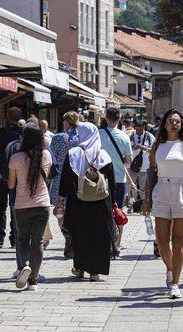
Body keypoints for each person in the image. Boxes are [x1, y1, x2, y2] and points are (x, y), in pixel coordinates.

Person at [142, 109, 183, 299]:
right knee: (161, 240)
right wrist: (146, 199)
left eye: (177, 121)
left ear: (181, 124)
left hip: (182, 188)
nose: (174, 124)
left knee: (178, 241)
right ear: (165, 124)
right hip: (161, 188)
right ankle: (170, 268)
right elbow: (151, 173)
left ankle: (175, 283)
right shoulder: (157, 145)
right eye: (170, 121)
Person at [57, 122, 117, 281]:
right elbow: (111, 182)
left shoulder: (73, 154)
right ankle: (95, 272)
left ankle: (80, 267)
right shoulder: (103, 155)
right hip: (101, 202)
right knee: (99, 235)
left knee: (80, 234)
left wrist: (61, 198)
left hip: (78, 201)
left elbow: (65, 178)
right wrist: (114, 203)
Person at [7, 122, 52, 291]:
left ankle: (24, 266)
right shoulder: (46, 155)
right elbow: (47, 177)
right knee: (38, 241)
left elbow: (11, 185)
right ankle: (33, 281)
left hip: (22, 205)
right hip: (42, 203)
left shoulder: (16, 158)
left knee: (23, 239)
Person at [99, 108, 133, 251]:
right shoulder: (124, 137)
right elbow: (129, 160)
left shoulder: (98, 134)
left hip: (100, 180)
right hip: (119, 179)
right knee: (117, 211)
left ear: (106, 118)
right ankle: (117, 244)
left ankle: (103, 241)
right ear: (119, 119)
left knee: (101, 211)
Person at [0, 107, 23, 248]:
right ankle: (15, 238)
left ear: (7, 117)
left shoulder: (1, 132)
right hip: (19, 175)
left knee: (1, 207)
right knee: (15, 206)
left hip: (2, 174)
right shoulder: (23, 134)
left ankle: (0, 237)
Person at [49, 111, 81, 257]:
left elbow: (53, 159)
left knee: (60, 211)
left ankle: (67, 235)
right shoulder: (82, 137)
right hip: (78, 177)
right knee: (76, 209)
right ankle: (75, 238)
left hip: (61, 176)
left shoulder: (57, 138)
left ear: (66, 122)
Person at [128, 119, 155, 211]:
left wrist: (146, 148)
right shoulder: (130, 136)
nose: (139, 131)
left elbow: (154, 149)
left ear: (144, 127)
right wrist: (133, 148)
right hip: (132, 166)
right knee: (131, 188)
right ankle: (132, 206)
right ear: (134, 127)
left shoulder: (149, 136)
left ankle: (144, 206)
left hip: (145, 166)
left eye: (141, 129)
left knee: (144, 188)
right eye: (137, 129)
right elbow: (125, 150)